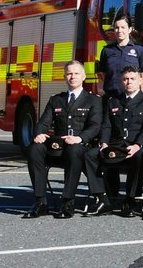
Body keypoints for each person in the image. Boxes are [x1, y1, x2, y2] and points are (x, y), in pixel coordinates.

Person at [26, 61, 103, 219]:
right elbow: (43, 123)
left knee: (74, 150)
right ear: (64, 77)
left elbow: (95, 126)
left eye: (76, 73)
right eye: (69, 73)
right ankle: (41, 202)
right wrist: (38, 134)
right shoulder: (56, 100)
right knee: (35, 149)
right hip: (59, 147)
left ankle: (68, 202)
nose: (72, 77)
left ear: (83, 77)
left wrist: (79, 138)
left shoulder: (93, 100)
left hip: (81, 146)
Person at [84, 66, 143, 216]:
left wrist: (137, 145)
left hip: (136, 145)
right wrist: (104, 143)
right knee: (90, 155)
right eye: (125, 79)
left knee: (140, 157)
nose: (128, 82)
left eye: (132, 79)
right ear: (121, 81)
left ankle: (130, 200)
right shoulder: (113, 101)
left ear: (140, 80)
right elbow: (107, 125)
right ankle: (102, 198)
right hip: (115, 145)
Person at [97, 15, 143, 100]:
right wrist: (100, 90)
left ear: (129, 29)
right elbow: (102, 75)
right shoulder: (106, 50)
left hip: (131, 97)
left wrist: (140, 97)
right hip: (111, 97)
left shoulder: (140, 50)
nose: (119, 30)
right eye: (117, 28)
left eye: (123, 27)